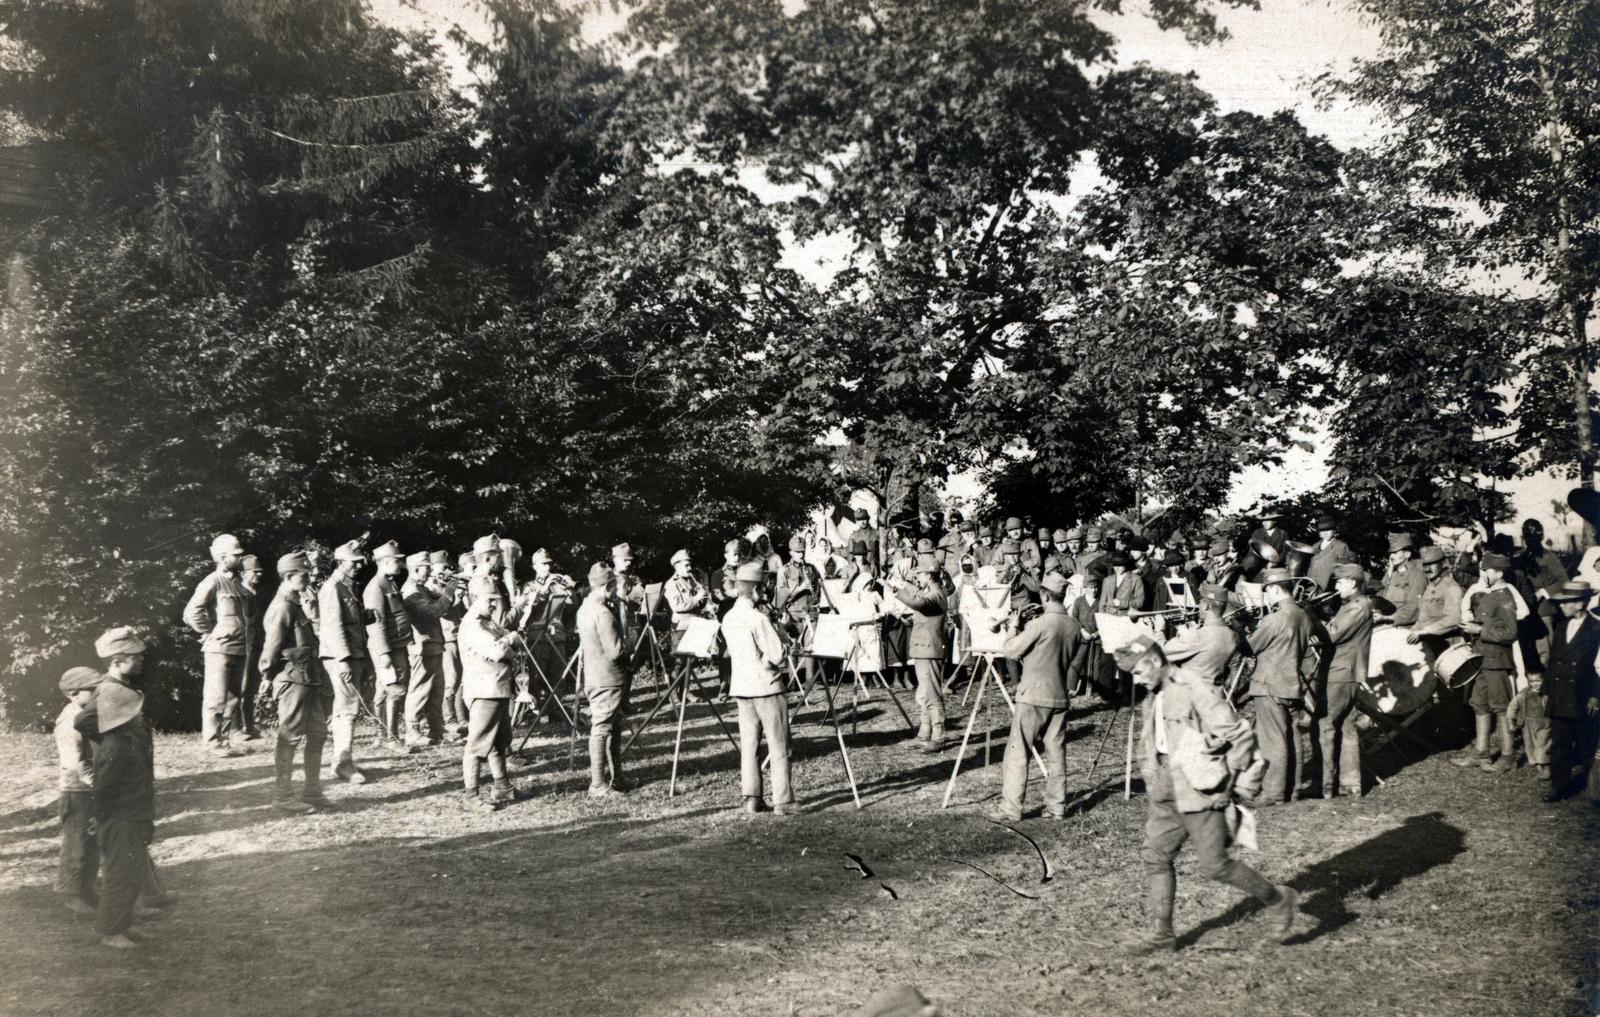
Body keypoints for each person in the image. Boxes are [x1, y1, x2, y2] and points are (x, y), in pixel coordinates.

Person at [1113, 634, 1298, 955]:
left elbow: (1237, 733)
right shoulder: (1154, 692)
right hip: (1166, 786)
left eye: (1139, 670)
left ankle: (1279, 900)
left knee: (1215, 866)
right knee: (1155, 856)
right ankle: (1162, 933)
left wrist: (1233, 787)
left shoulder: (1193, 687)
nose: (1136, 678)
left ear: (1156, 661)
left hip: (1200, 788)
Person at [989, 572, 1082, 821]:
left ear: (1044, 594)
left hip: (1032, 695)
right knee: (1056, 753)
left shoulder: (1039, 624)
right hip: (1059, 696)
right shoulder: (1074, 626)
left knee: (1018, 752)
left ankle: (1011, 808)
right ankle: (1057, 807)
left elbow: (1010, 651)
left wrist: (1014, 626)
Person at [77, 681, 156, 949]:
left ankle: (123, 925)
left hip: (134, 813)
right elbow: (104, 790)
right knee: (120, 874)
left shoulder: (127, 739)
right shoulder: (115, 746)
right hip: (119, 819)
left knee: (131, 872)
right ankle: (109, 930)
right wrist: (100, 819)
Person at [257, 552, 331, 813]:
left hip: (307, 677)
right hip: (293, 678)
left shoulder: (295, 602)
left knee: (318, 734)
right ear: (289, 576)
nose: (309, 578)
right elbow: (271, 647)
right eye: (305, 574)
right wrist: (267, 676)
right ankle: (283, 797)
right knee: (289, 737)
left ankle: (312, 791)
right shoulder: (283, 605)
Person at [720, 560, 795, 815]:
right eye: (762, 588)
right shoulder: (758, 618)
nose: (764, 593)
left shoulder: (728, 617)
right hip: (767, 688)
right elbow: (777, 655)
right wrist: (785, 639)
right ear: (754, 591)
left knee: (749, 745)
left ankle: (752, 798)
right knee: (779, 744)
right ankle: (784, 801)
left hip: (742, 687)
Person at [1246, 568, 1325, 806]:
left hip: (1270, 684)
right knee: (1293, 737)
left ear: (1275, 589)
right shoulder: (1303, 615)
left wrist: (1242, 629)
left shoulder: (1274, 618)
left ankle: (1273, 793)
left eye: (1267, 591)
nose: (1267, 597)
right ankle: (1293, 789)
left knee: (1273, 740)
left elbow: (1250, 647)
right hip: (1293, 683)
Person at [182, 533, 250, 758]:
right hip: (219, 648)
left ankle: (224, 742)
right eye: (236, 555)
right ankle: (211, 743)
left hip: (239, 646)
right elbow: (191, 612)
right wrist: (209, 632)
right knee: (215, 697)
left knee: (233, 697)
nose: (241, 559)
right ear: (222, 557)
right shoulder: (212, 581)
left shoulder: (238, 583)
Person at [1532, 581, 1600, 802]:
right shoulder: (1561, 627)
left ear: (1580, 603)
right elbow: (1553, 662)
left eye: (1566, 602)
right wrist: (1546, 690)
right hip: (1561, 694)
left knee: (1586, 743)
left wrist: (1595, 695)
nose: (1561, 606)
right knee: (1559, 743)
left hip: (1583, 696)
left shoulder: (1596, 628)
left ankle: (1593, 788)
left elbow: (1599, 668)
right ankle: (1558, 786)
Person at [458, 575, 520, 812]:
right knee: (477, 744)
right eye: (489, 600)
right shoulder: (473, 625)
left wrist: (510, 639)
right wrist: (511, 639)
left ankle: (502, 786)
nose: (494, 604)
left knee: (498, 741)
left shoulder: (487, 622)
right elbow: (498, 652)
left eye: (495, 599)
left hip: (497, 687)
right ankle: (471, 796)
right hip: (484, 690)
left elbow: (509, 642)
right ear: (474, 598)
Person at [1458, 551, 1520, 773]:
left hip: (1497, 661)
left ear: (1499, 572)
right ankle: (1481, 754)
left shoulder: (1505, 596)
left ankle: (1507, 756)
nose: (1483, 573)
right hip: (1481, 659)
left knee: (1501, 708)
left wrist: (1480, 629)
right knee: (1480, 705)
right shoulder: (1489, 594)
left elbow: (1510, 632)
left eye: (1487, 570)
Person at [318, 539, 371, 784]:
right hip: (342, 656)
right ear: (340, 563)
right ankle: (343, 763)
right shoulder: (333, 588)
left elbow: (349, 621)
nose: (359, 566)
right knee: (348, 709)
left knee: (347, 708)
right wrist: (344, 660)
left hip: (352, 653)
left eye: (360, 561)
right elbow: (332, 627)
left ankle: (342, 760)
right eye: (354, 562)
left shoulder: (349, 586)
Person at [1319, 563, 1372, 799]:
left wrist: (1312, 618)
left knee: (1326, 724)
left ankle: (1326, 784)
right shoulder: (1353, 605)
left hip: (1341, 672)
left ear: (1352, 582)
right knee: (1348, 726)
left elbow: (1332, 634)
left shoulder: (1357, 607)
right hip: (1349, 672)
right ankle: (1351, 784)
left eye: (1340, 582)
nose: (1336, 586)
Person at [577, 562, 630, 796]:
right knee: (602, 728)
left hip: (596, 676)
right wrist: (631, 639)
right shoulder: (603, 612)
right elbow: (616, 651)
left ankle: (616, 778)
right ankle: (598, 784)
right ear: (608, 586)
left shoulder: (585, 607)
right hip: (607, 678)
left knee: (613, 727)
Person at [54, 666, 103, 915]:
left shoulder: (87, 715)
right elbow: (76, 763)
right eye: (92, 690)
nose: (98, 693)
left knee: (93, 843)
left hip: (90, 790)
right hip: (77, 792)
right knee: (76, 845)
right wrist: (96, 783)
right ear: (74, 694)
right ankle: (70, 895)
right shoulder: (69, 722)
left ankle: (87, 888)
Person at [363, 541, 415, 754]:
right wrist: (383, 652)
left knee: (383, 692)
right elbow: (376, 623)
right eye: (397, 560)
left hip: (397, 644)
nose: (401, 564)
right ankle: (391, 738)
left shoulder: (389, 583)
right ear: (384, 562)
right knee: (395, 689)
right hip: (387, 647)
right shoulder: (375, 587)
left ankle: (381, 735)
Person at [894, 553, 949, 752]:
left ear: (929, 575)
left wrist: (897, 590)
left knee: (932, 694)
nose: (917, 577)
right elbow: (921, 604)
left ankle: (938, 735)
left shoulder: (936, 594)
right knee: (924, 693)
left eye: (920, 574)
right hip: (924, 649)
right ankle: (925, 733)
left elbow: (919, 603)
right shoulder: (932, 592)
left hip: (929, 650)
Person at [402, 550, 458, 747]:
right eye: (427, 569)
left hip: (433, 644)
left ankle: (436, 729)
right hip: (422, 646)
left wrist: (446, 592)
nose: (429, 572)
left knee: (437, 689)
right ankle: (412, 730)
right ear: (416, 569)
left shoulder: (421, 588)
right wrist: (449, 592)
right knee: (419, 689)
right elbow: (432, 612)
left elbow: (443, 605)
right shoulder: (411, 591)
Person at [1162, 584, 1242, 686]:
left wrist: (1158, 630)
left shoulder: (1197, 636)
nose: (1198, 605)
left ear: (1205, 606)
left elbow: (1161, 653)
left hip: (1191, 694)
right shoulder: (1233, 635)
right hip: (1214, 694)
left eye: (1200, 602)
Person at [1408, 546, 1463, 673]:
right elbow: (1423, 619)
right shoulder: (1430, 587)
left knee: (1448, 690)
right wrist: (1410, 633)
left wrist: (1425, 631)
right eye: (1425, 565)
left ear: (1442, 564)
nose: (1427, 568)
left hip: (1447, 648)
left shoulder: (1450, 587)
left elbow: (1453, 619)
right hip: (1430, 646)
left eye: (1432, 564)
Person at [438, 550, 469, 737]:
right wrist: (454, 596)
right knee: (450, 679)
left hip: (457, 635)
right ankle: (449, 719)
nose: (447, 571)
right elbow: (442, 611)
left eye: (448, 567)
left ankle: (459, 717)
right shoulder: (434, 587)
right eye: (443, 567)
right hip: (446, 636)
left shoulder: (446, 585)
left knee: (459, 678)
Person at [237, 553, 267, 741]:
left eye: (260, 572)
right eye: (254, 572)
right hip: (243, 646)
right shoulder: (238, 594)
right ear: (243, 574)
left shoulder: (260, 594)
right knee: (241, 686)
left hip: (259, 645)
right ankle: (238, 728)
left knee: (252, 685)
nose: (258, 575)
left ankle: (249, 726)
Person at [1378, 533, 1427, 628]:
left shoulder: (1417, 575)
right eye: (1391, 553)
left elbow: (1414, 608)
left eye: (1396, 553)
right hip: (1386, 623)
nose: (1391, 557)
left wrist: (1389, 618)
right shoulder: (1392, 573)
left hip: (1406, 627)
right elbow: (1380, 595)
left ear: (1407, 554)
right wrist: (1389, 571)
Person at [1306, 514, 1353, 592]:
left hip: (1329, 587)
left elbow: (1344, 570)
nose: (1325, 533)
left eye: (1328, 530)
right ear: (1319, 533)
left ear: (1334, 531)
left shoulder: (1341, 546)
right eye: (1322, 531)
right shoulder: (1315, 546)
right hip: (1312, 585)